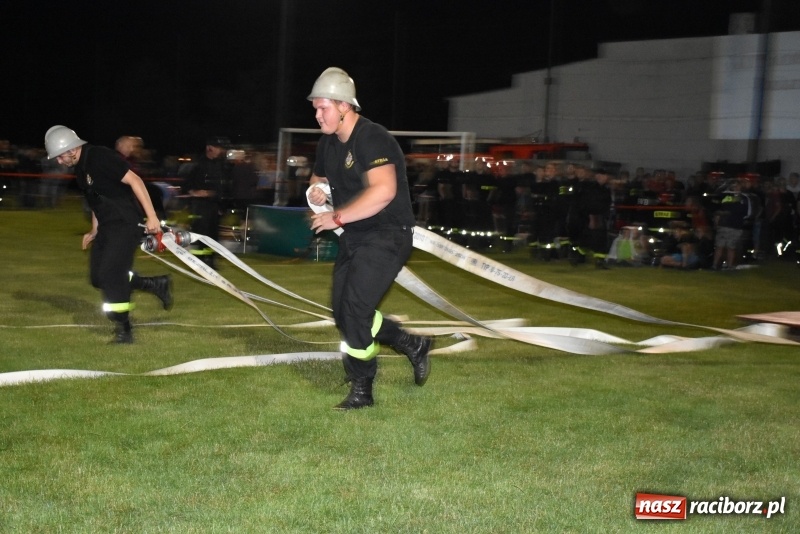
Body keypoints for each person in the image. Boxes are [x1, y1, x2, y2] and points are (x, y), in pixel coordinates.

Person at [305, 67, 432, 410]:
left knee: (356, 309)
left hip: (387, 235)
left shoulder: (372, 137)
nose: (317, 116)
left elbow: (384, 191)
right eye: (315, 109)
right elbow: (318, 176)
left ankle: (362, 387)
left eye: (323, 108)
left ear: (344, 106)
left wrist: (337, 216)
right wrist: (317, 190)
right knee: (342, 313)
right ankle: (410, 343)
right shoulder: (328, 142)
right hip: (355, 236)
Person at [44, 125, 172, 343]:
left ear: (72, 150)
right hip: (106, 226)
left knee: (111, 275)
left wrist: (151, 217)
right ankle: (153, 284)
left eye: (59, 156)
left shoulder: (100, 157)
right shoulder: (81, 168)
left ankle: (124, 329)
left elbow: (135, 181)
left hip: (124, 223)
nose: (58, 161)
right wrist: (94, 230)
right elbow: (96, 199)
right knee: (97, 278)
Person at [182, 136, 233, 267]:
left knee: (213, 234)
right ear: (209, 148)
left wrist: (223, 203)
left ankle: (210, 260)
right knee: (200, 232)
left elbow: (224, 186)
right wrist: (195, 192)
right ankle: (198, 261)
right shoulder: (198, 165)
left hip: (215, 205)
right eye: (217, 148)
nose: (220, 151)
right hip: (200, 206)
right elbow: (186, 185)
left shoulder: (221, 165)